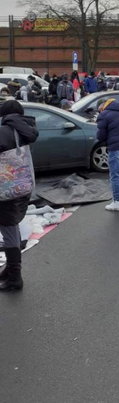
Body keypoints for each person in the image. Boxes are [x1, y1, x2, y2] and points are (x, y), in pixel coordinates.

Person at [0, 100, 38, 291]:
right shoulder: (24, 130)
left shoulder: (4, 132)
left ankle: (15, 277)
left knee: (7, 227)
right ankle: (10, 270)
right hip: (21, 186)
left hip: (4, 189)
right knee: (10, 224)